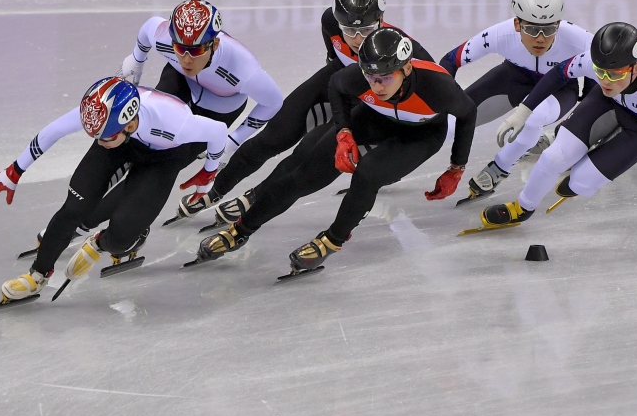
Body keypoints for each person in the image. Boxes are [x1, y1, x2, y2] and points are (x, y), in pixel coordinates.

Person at [189, 27, 478, 273]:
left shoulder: (439, 87)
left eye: (385, 78)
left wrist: (456, 167)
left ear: (405, 69)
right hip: (376, 118)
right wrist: (343, 132)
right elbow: (337, 86)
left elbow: (468, 114)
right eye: (370, 77)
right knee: (305, 175)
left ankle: (333, 239)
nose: (377, 85)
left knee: (368, 174)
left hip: (421, 133)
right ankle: (241, 230)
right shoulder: (359, 79)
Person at [168, 0, 434, 228]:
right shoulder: (330, 22)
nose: (356, 38)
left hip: (366, 102)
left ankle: (256, 196)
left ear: (382, 20)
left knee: (307, 152)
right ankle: (216, 189)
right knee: (274, 135)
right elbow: (334, 53)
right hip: (337, 81)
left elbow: (438, 90)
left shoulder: (407, 51)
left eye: (365, 29)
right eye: (349, 29)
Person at [472, 22, 637, 251]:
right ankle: (522, 208)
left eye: (614, 74)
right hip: (611, 101)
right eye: (600, 73)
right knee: (554, 158)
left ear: (635, 68)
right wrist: (524, 111)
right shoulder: (601, 70)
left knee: (580, 182)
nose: (605, 79)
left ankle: (585, 171)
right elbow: (560, 73)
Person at [0, 77, 228, 306]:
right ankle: (37, 275)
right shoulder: (101, 112)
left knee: (123, 234)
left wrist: (208, 173)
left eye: (103, 136)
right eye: (94, 135)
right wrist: (15, 170)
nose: (98, 141)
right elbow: (55, 130)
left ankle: (100, 243)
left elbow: (218, 131)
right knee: (73, 208)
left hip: (164, 159)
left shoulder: (177, 123)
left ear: (130, 125)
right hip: (120, 144)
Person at [117, 0, 283, 220]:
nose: (186, 58)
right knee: (147, 126)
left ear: (214, 44)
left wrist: (233, 141)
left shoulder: (243, 68)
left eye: (195, 50)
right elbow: (149, 28)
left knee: (170, 158)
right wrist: (136, 60)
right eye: (179, 48)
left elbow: (273, 102)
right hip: (181, 82)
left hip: (219, 105)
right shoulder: (165, 36)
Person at [439, 0, 593, 200]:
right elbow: (450, 60)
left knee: (533, 118)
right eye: (530, 28)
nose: (540, 38)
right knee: (447, 125)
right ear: (516, 24)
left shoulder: (580, 39)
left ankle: (499, 168)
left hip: (559, 89)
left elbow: (599, 80)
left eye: (549, 29)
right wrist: (441, 100)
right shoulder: (501, 33)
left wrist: (582, 128)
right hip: (511, 80)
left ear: (559, 24)